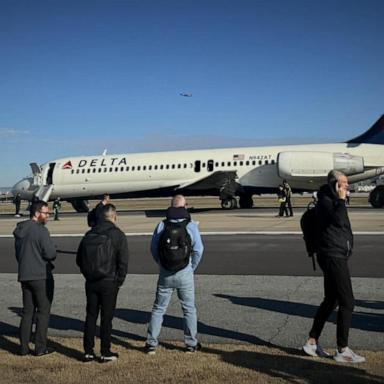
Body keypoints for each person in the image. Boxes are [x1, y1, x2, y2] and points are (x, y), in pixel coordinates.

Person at [302, 170, 365, 363]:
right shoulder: (327, 202)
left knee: (331, 300)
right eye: (343, 183)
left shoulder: (330, 200)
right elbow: (338, 220)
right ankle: (342, 349)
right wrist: (340, 199)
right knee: (348, 302)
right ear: (334, 184)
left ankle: (312, 341)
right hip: (333, 256)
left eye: (346, 183)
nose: (346, 186)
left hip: (334, 254)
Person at [145, 195, 204, 355]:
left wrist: (161, 263)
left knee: (159, 308)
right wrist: (191, 266)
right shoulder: (191, 225)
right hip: (185, 272)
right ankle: (191, 344)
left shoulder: (162, 225)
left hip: (166, 272)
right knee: (188, 308)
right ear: (185, 206)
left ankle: (151, 343)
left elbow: (153, 248)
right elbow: (199, 250)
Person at [76, 203, 129, 363]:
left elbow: (79, 259)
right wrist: (119, 281)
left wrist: (88, 274)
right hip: (109, 281)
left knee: (91, 316)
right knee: (107, 318)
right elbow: (123, 262)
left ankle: (88, 352)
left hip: (91, 281)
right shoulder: (118, 235)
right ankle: (105, 351)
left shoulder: (90, 233)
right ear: (114, 216)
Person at [13, 201, 57, 356]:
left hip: (25, 275)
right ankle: (40, 347)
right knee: (43, 312)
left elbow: (19, 254)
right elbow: (50, 254)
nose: (48, 216)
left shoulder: (20, 230)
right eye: (46, 213)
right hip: (40, 276)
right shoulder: (41, 230)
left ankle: (23, 348)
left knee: (27, 312)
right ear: (37, 213)